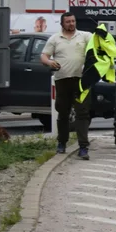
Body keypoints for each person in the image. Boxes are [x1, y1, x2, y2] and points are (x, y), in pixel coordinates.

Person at [41, 12, 93, 159]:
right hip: (62, 80)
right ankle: (62, 143)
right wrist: (49, 62)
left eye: (73, 21)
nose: (71, 24)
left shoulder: (85, 36)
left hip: (81, 81)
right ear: (62, 24)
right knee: (63, 113)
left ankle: (83, 147)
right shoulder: (55, 39)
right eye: (68, 22)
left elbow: (96, 46)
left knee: (82, 114)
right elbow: (44, 56)